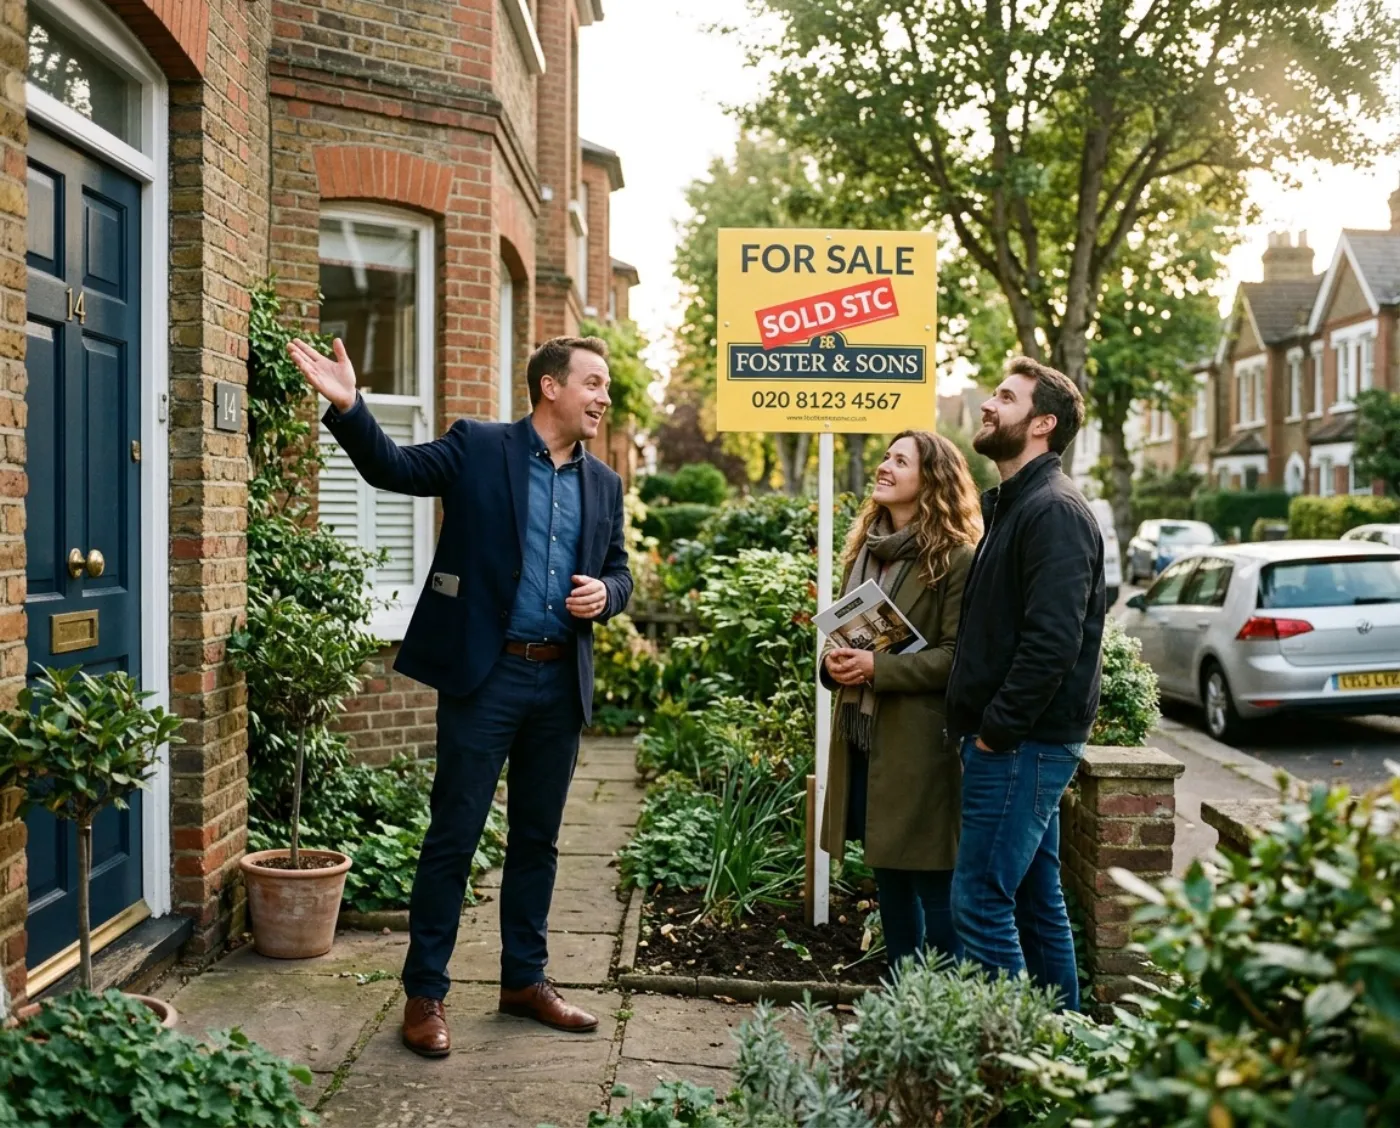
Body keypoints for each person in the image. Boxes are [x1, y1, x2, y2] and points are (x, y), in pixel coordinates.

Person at [288, 334, 633, 1056]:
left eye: (605, 386)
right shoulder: (479, 447)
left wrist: (607, 594)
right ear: (549, 387)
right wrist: (351, 406)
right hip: (488, 677)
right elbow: (393, 469)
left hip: (558, 683)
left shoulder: (604, 485)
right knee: (455, 835)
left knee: (538, 840)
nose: (604, 397)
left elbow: (619, 573)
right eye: (594, 383)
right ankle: (426, 994)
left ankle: (524, 981)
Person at [945, 356, 1105, 1013]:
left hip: (1020, 747)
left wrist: (995, 736)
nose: (988, 404)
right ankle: (1062, 1058)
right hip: (1016, 745)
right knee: (1039, 900)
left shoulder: (1054, 512)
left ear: (1041, 424)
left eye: (1005, 398)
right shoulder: (1015, 506)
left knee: (980, 901)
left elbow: (1052, 644)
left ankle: (1008, 1069)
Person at [820, 431, 982, 972]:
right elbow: (843, 635)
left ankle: (942, 1001)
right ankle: (902, 995)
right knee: (886, 875)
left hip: (921, 745)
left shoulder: (957, 557)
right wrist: (833, 663)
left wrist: (878, 668)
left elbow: (959, 657)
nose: (884, 466)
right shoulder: (865, 549)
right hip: (864, 735)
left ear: (931, 479)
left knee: (934, 883)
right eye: (886, 457)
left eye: (900, 460)